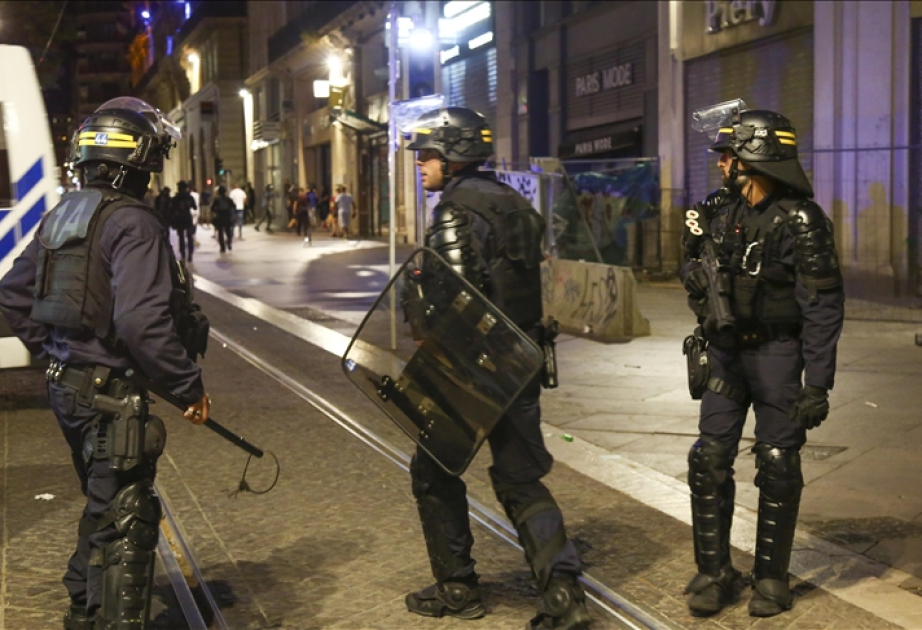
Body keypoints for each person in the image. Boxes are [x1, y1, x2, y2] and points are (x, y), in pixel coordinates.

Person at [0, 97, 211, 630]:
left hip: (69, 390)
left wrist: (55, 352)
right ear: (139, 160)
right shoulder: (135, 223)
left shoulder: (66, 213)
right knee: (128, 516)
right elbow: (142, 321)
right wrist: (187, 387)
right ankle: (101, 616)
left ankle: (80, 604)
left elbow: (10, 296)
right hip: (110, 398)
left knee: (103, 503)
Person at [400, 107, 590, 630]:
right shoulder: (515, 203)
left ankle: (458, 587)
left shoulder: (455, 212)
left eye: (430, 154)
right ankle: (563, 594)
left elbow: (456, 301)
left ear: (453, 155)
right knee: (521, 479)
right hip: (523, 358)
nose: (421, 163)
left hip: (473, 369)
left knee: (433, 471)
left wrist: (419, 307)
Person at [679, 108, 845, 618]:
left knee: (777, 465)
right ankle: (714, 572)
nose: (722, 164)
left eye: (730, 155)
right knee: (707, 459)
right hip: (726, 355)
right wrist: (698, 278)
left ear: (757, 159)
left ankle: (771, 579)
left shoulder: (801, 220)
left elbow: (823, 305)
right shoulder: (720, 211)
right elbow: (690, 264)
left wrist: (817, 383)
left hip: (777, 354)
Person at [171, 180, 197, 263]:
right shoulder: (189, 197)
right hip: (187, 218)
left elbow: (172, 208)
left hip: (179, 218)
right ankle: (190, 255)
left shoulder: (176, 198)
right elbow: (195, 207)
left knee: (181, 237)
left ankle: (183, 255)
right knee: (190, 237)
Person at [211, 185, 235, 253]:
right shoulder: (228, 199)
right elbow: (234, 206)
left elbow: (212, 208)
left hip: (220, 217)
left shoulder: (217, 199)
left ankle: (222, 247)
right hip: (228, 216)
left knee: (220, 232)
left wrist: (216, 211)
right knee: (228, 231)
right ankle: (229, 243)